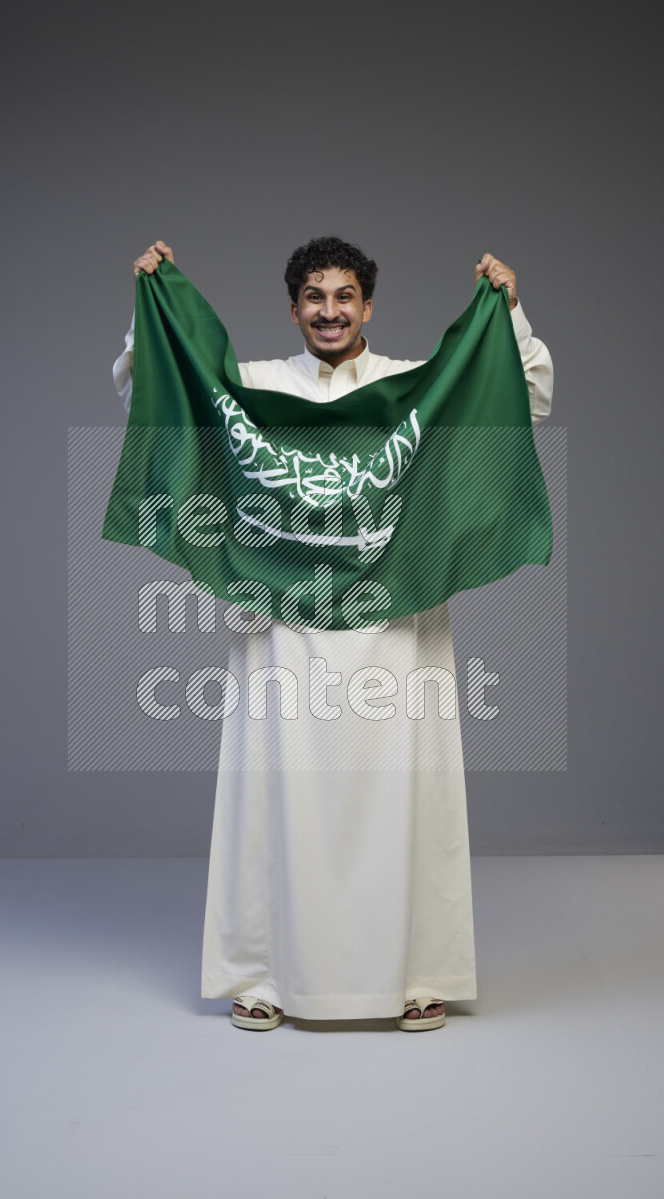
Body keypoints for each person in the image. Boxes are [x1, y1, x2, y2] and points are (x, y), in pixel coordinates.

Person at [113, 236, 553, 1031]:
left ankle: (418, 975)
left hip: (393, 627)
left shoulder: (412, 389)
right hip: (279, 628)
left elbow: (521, 398)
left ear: (367, 306)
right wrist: (152, 306)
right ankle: (263, 976)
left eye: (343, 295)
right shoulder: (255, 389)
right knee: (273, 797)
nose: (329, 310)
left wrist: (510, 315)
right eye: (313, 297)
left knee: (403, 794)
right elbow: (157, 393)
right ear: (293, 309)